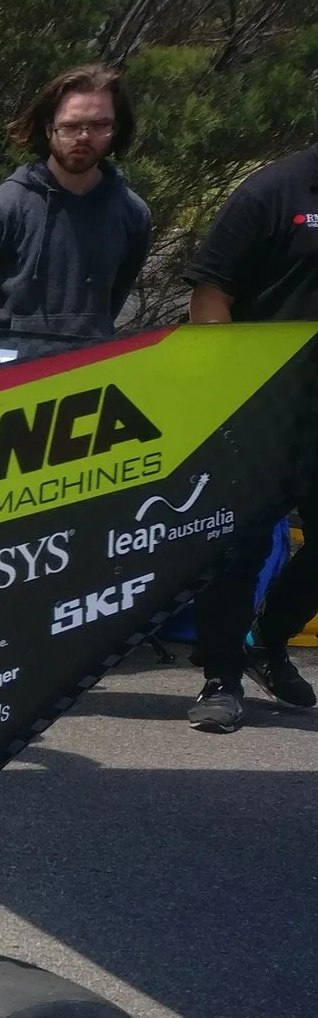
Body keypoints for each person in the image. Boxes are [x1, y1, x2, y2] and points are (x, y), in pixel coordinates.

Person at [179, 142, 318, 731]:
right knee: (241, 545)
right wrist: (233, 392)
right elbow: (211, 296)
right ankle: (221, 676)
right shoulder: (273, 190)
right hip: (265, 405)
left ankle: (268, 638)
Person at [0, 65, 151, 340]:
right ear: (49, 128)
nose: (84, 137)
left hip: (89, 372)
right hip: (6, 373)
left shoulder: (134, 214)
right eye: (71, 126)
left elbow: (111, 303)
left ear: (116, 129)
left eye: (99, 125)